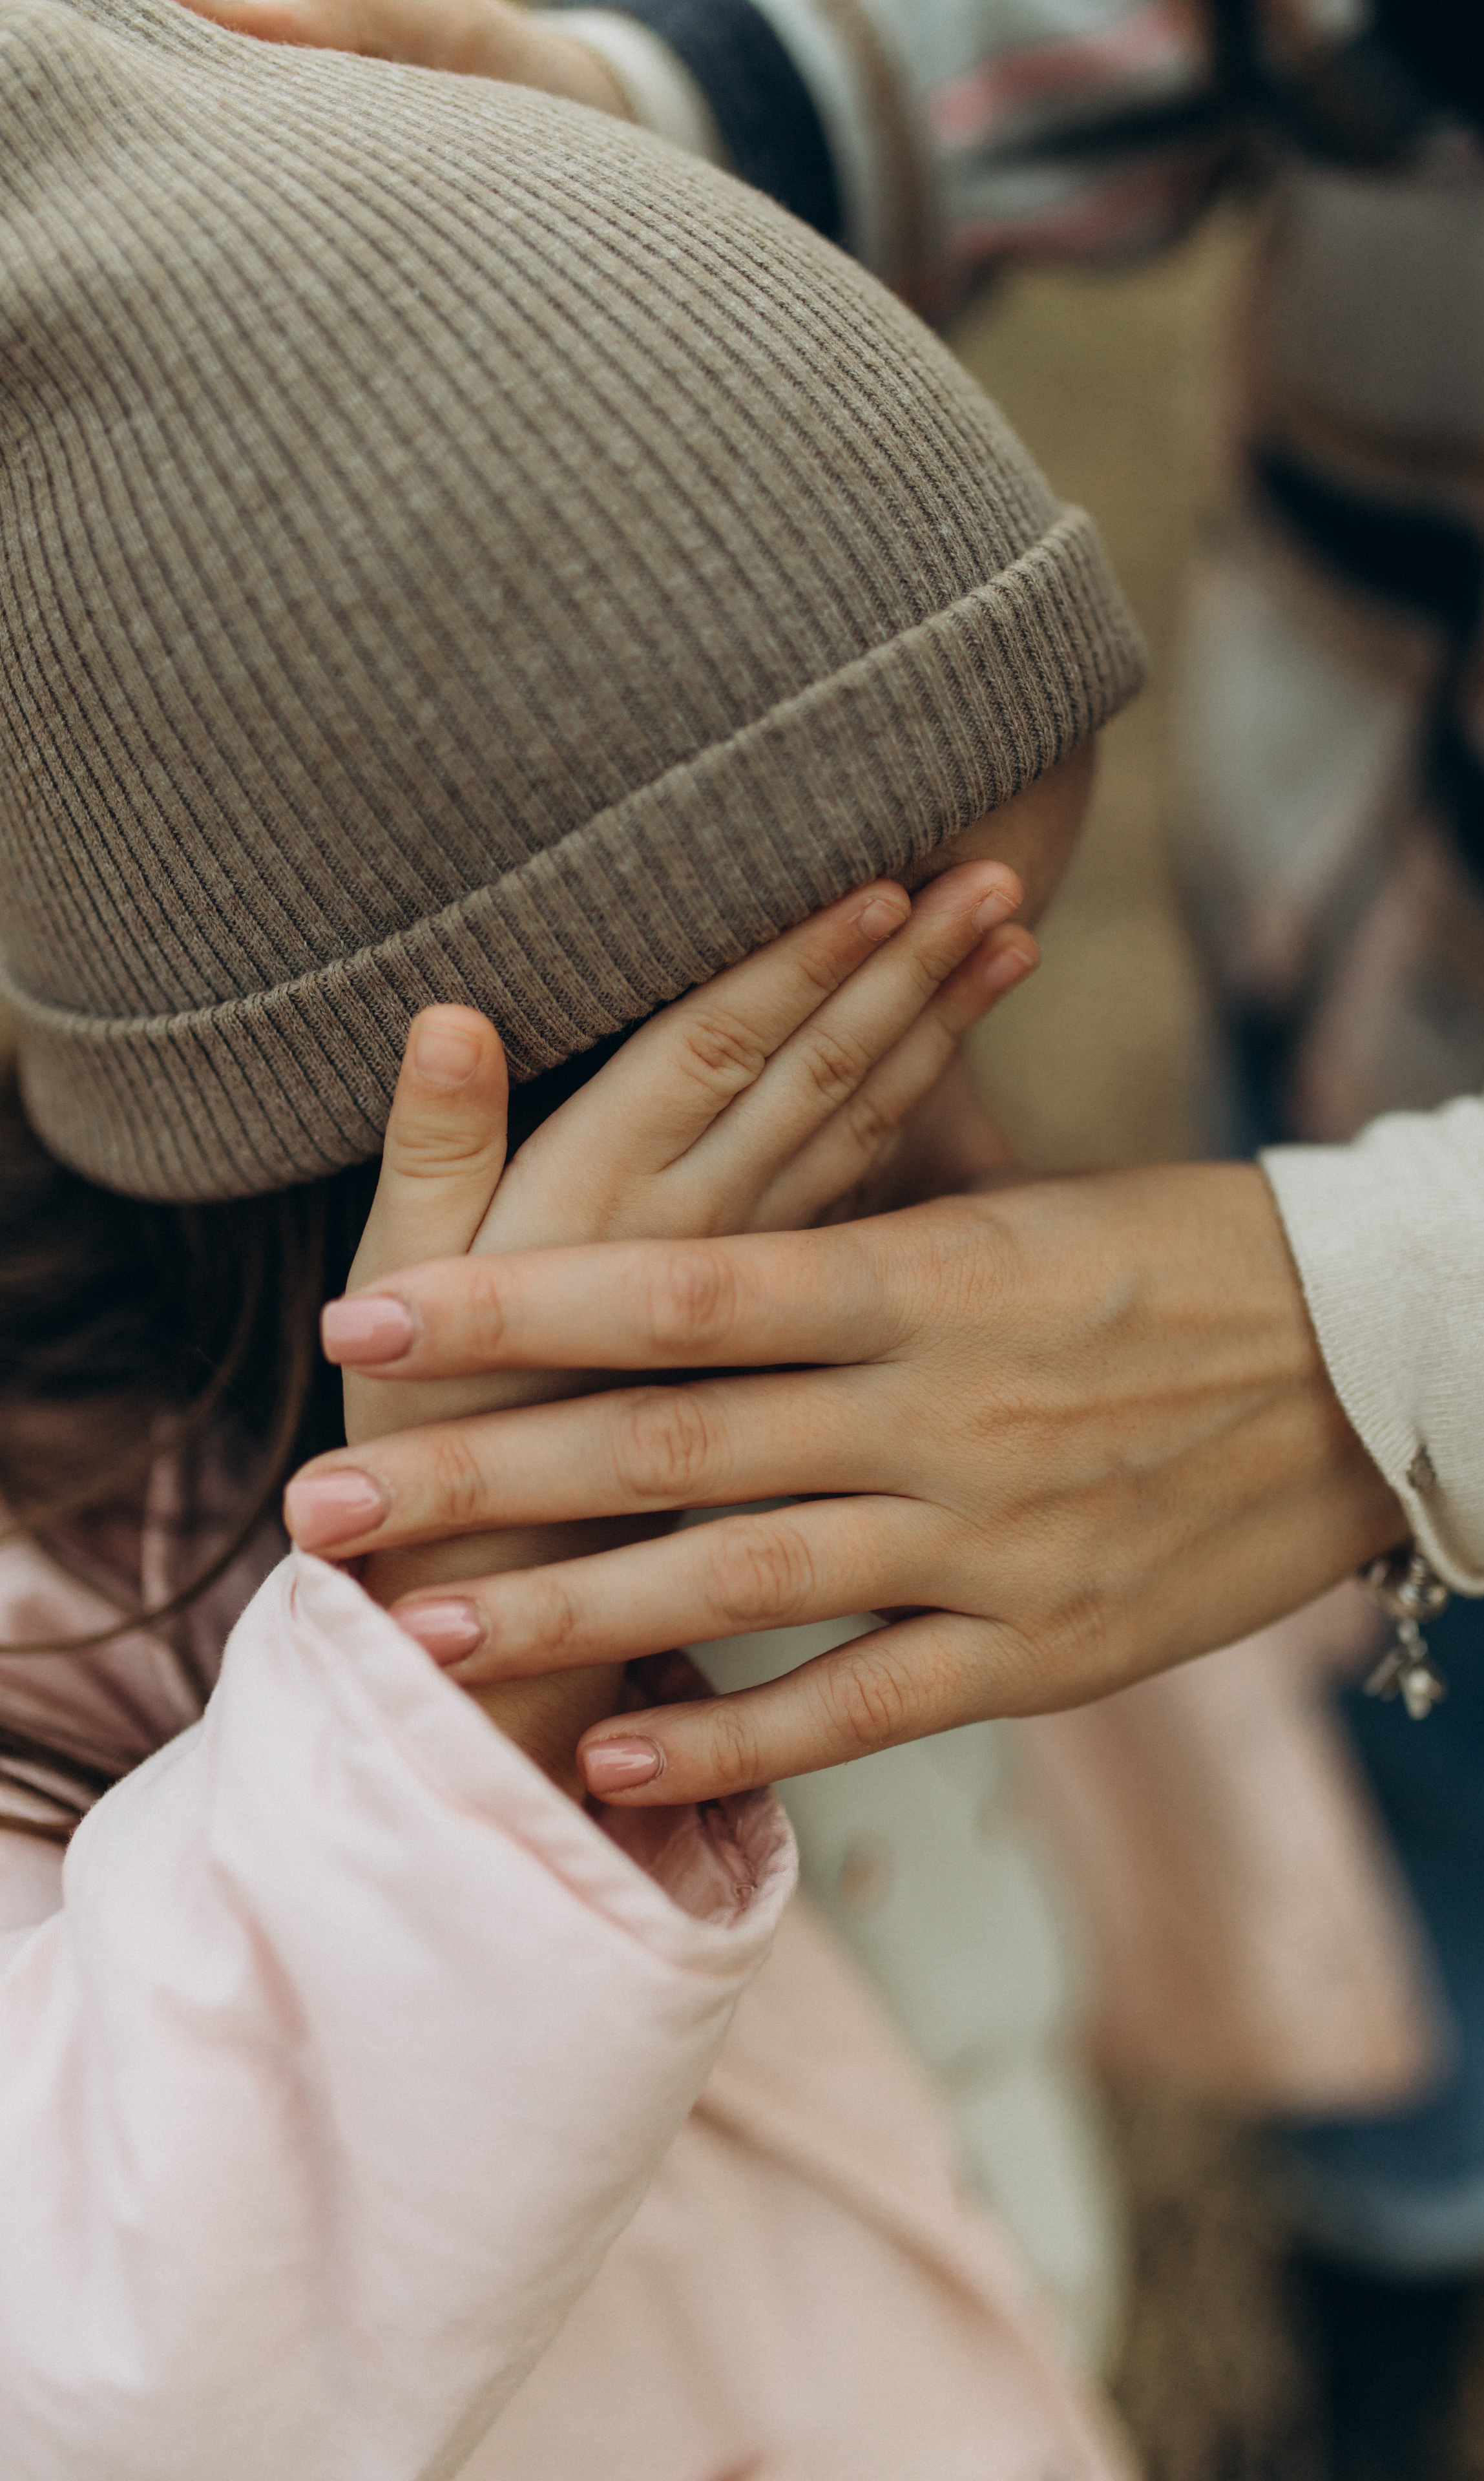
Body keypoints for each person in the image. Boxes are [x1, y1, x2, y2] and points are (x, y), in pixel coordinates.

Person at [227, 0, 1484, 2465]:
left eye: (894, 1080)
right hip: (1407, 945)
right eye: (828, 1090)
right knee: (1449, 1689)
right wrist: (668, 118)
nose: (928, 1158)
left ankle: (1412, 2239)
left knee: (1453, 1704)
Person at [0, 0, 1171, 2466]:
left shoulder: (765, 1361)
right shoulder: (62, 1654)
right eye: (851, 1095)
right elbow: (119, 2370)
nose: (952, 1163)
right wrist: (457, 1703)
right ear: (448, 1142)